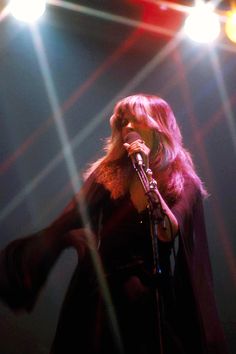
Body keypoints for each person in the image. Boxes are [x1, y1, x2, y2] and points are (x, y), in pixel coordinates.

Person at [0, 94, 228, 354]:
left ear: (158, 126)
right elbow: (69, 219)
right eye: (123, 122)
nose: (128, 127)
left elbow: (167, 231)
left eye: (135, 120)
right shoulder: (106, 172)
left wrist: (148, 177)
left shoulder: (184, 181)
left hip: (149, 300)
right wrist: (62, 242)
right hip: (99, 296)